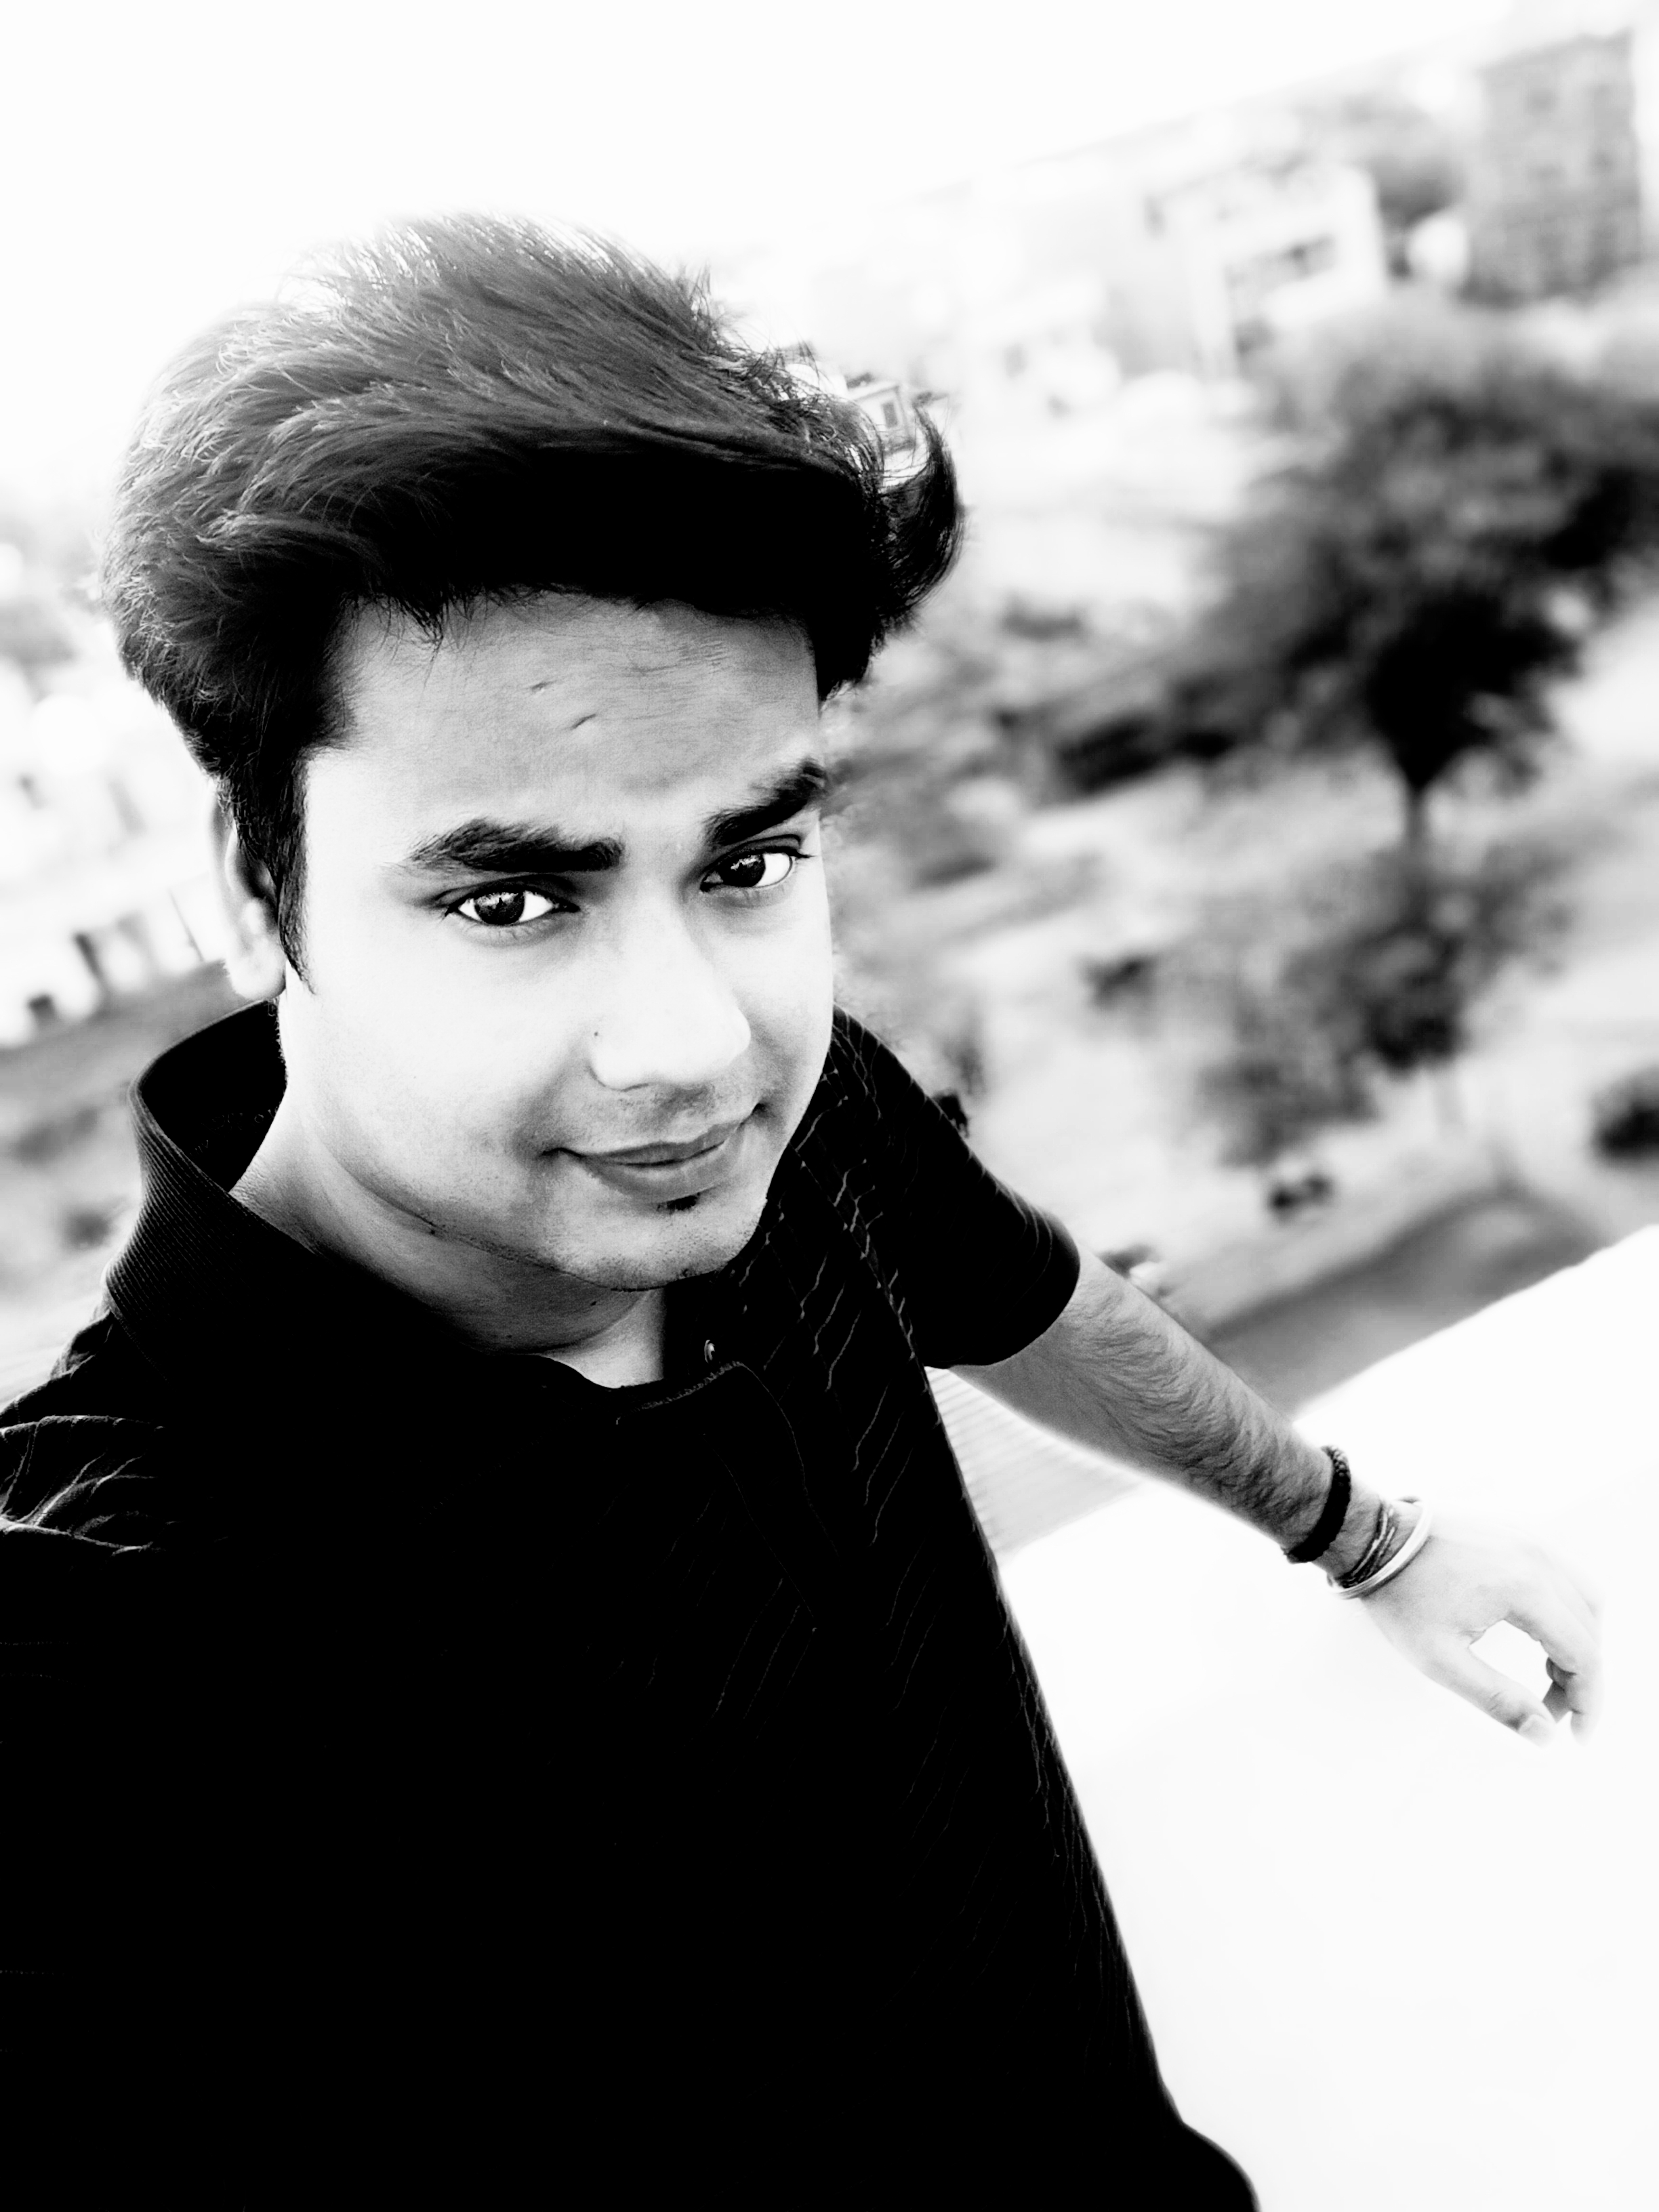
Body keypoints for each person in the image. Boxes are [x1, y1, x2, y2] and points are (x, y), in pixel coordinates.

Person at [0, 218, 1599, 2203]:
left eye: (746, 860)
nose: (688, 1046)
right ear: (263, 892)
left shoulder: (804, 1122)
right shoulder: (118, 1627)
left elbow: (1023, 1297)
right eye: (513, 898)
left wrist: (1362, 1533)